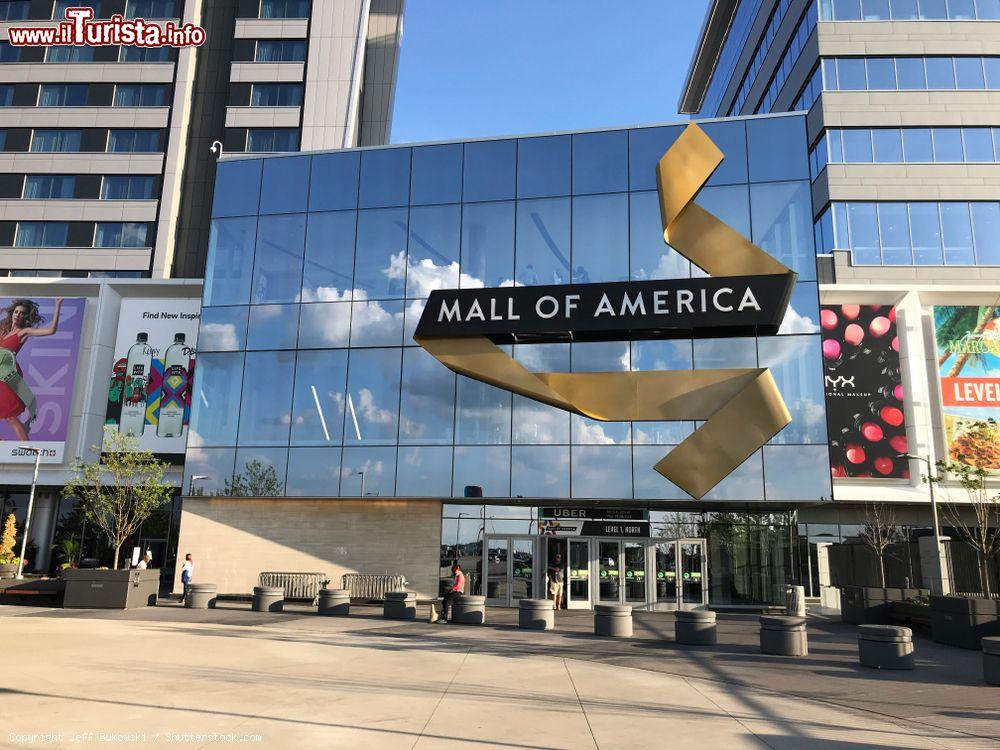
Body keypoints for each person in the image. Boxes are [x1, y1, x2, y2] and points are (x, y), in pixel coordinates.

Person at [0, 298, 62, 440]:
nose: (17, 315)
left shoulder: (23, 332)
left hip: (6, 373)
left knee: (10, 416)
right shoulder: (3, 329)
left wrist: (57, 306)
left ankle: (27, 447)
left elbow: (51, 330)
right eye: (16, 312)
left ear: (25, 317)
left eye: (21, 313)